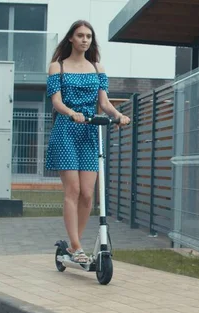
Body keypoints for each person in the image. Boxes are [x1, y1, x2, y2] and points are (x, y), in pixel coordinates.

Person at [46, 20, 130, 263]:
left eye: (89, 36)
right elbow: (57, 102)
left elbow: (104, 103)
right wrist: (72, 113)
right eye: (80, 35)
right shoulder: (57, 67)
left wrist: (118, 115)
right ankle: (76, 245)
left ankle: (74, 248)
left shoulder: (97, 68)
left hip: (90, 132)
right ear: (71, 38)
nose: (85, 40)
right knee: (72, 190)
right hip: (66, 131)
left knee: (87, 194)